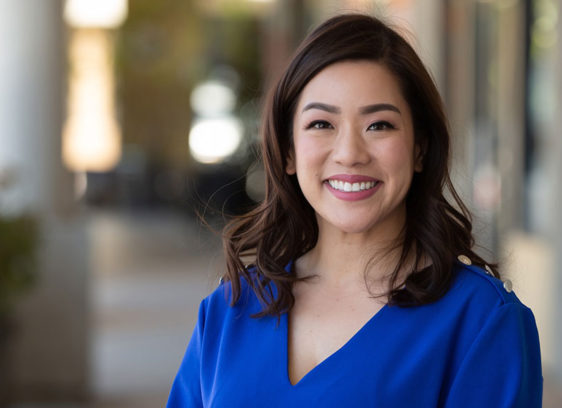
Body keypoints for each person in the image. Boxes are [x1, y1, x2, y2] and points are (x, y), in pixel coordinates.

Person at [167, 13, 542, 407]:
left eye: (379, 125)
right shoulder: (230, 311)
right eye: (321, 124)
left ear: (420, 148)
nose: (349, 154)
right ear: (289, 150)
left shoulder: (481, 321)